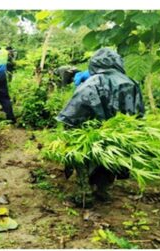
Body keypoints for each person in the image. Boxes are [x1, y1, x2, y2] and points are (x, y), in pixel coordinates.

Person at [56, 48, 145, 203]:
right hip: (120, 133)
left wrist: (69, 130)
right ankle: (103, 190)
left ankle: (84, 193)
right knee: (111, 157)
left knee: (80, 154)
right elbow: (139, 112)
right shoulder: (131, 82)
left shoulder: (93, 82)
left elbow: (75, 109)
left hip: (92, 132)